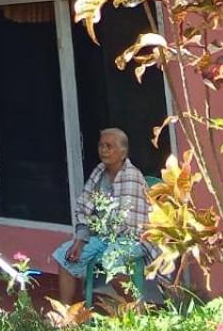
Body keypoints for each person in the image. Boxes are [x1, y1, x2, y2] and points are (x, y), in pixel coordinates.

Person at [53, 127, 156, 305]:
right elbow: (84, 208)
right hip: (102, 236)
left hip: (132, 238)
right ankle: (65, 316)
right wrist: (80, 240)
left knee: (112, 259)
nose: (104, 150)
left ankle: (133, 312)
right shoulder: (98, 172)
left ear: (123, 152)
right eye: (101, 145)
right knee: (64, 256)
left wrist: (102, 234)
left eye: (109, 146)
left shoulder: (132, 176)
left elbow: (130, 223)